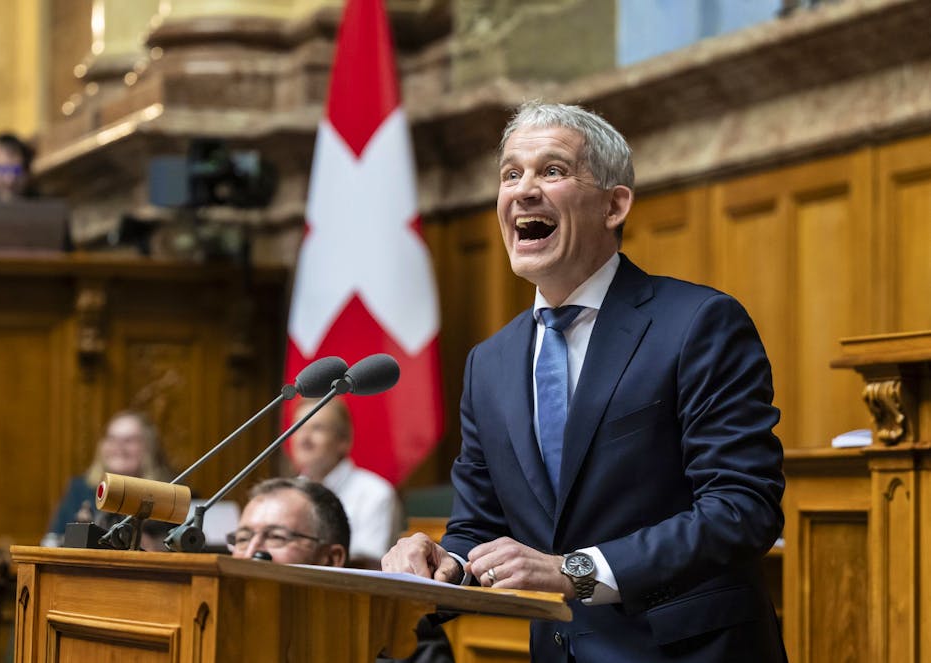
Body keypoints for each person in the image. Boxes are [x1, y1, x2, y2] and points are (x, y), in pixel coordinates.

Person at [382, 101, 786, 662]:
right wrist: (444, 562)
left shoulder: (697, 323)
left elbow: (742, 508)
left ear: (614, 205)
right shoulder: (489, 363)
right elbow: (479, 523)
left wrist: (576, 572)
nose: (523, 190)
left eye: (551, 170)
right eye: (510, 174)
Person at [231, 477, 454, 663]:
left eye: (276, 537)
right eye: (242, 539)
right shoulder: (224, 624)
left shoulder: (398, 630)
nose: (250, 553)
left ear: (330, 558)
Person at [289, 397, 402, 566]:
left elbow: (367, 564)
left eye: (317, 428)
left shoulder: (375, 493)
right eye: (298, 427)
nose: (304, 438)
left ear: (343, 440)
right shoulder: (288, 494)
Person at [43, 410, 176, 548]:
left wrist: (155, 545)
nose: (118, 447)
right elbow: (52, 540)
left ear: (149, 447)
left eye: (129, 440)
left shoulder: (172, 494)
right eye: (111, 439)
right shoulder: (80, 489)